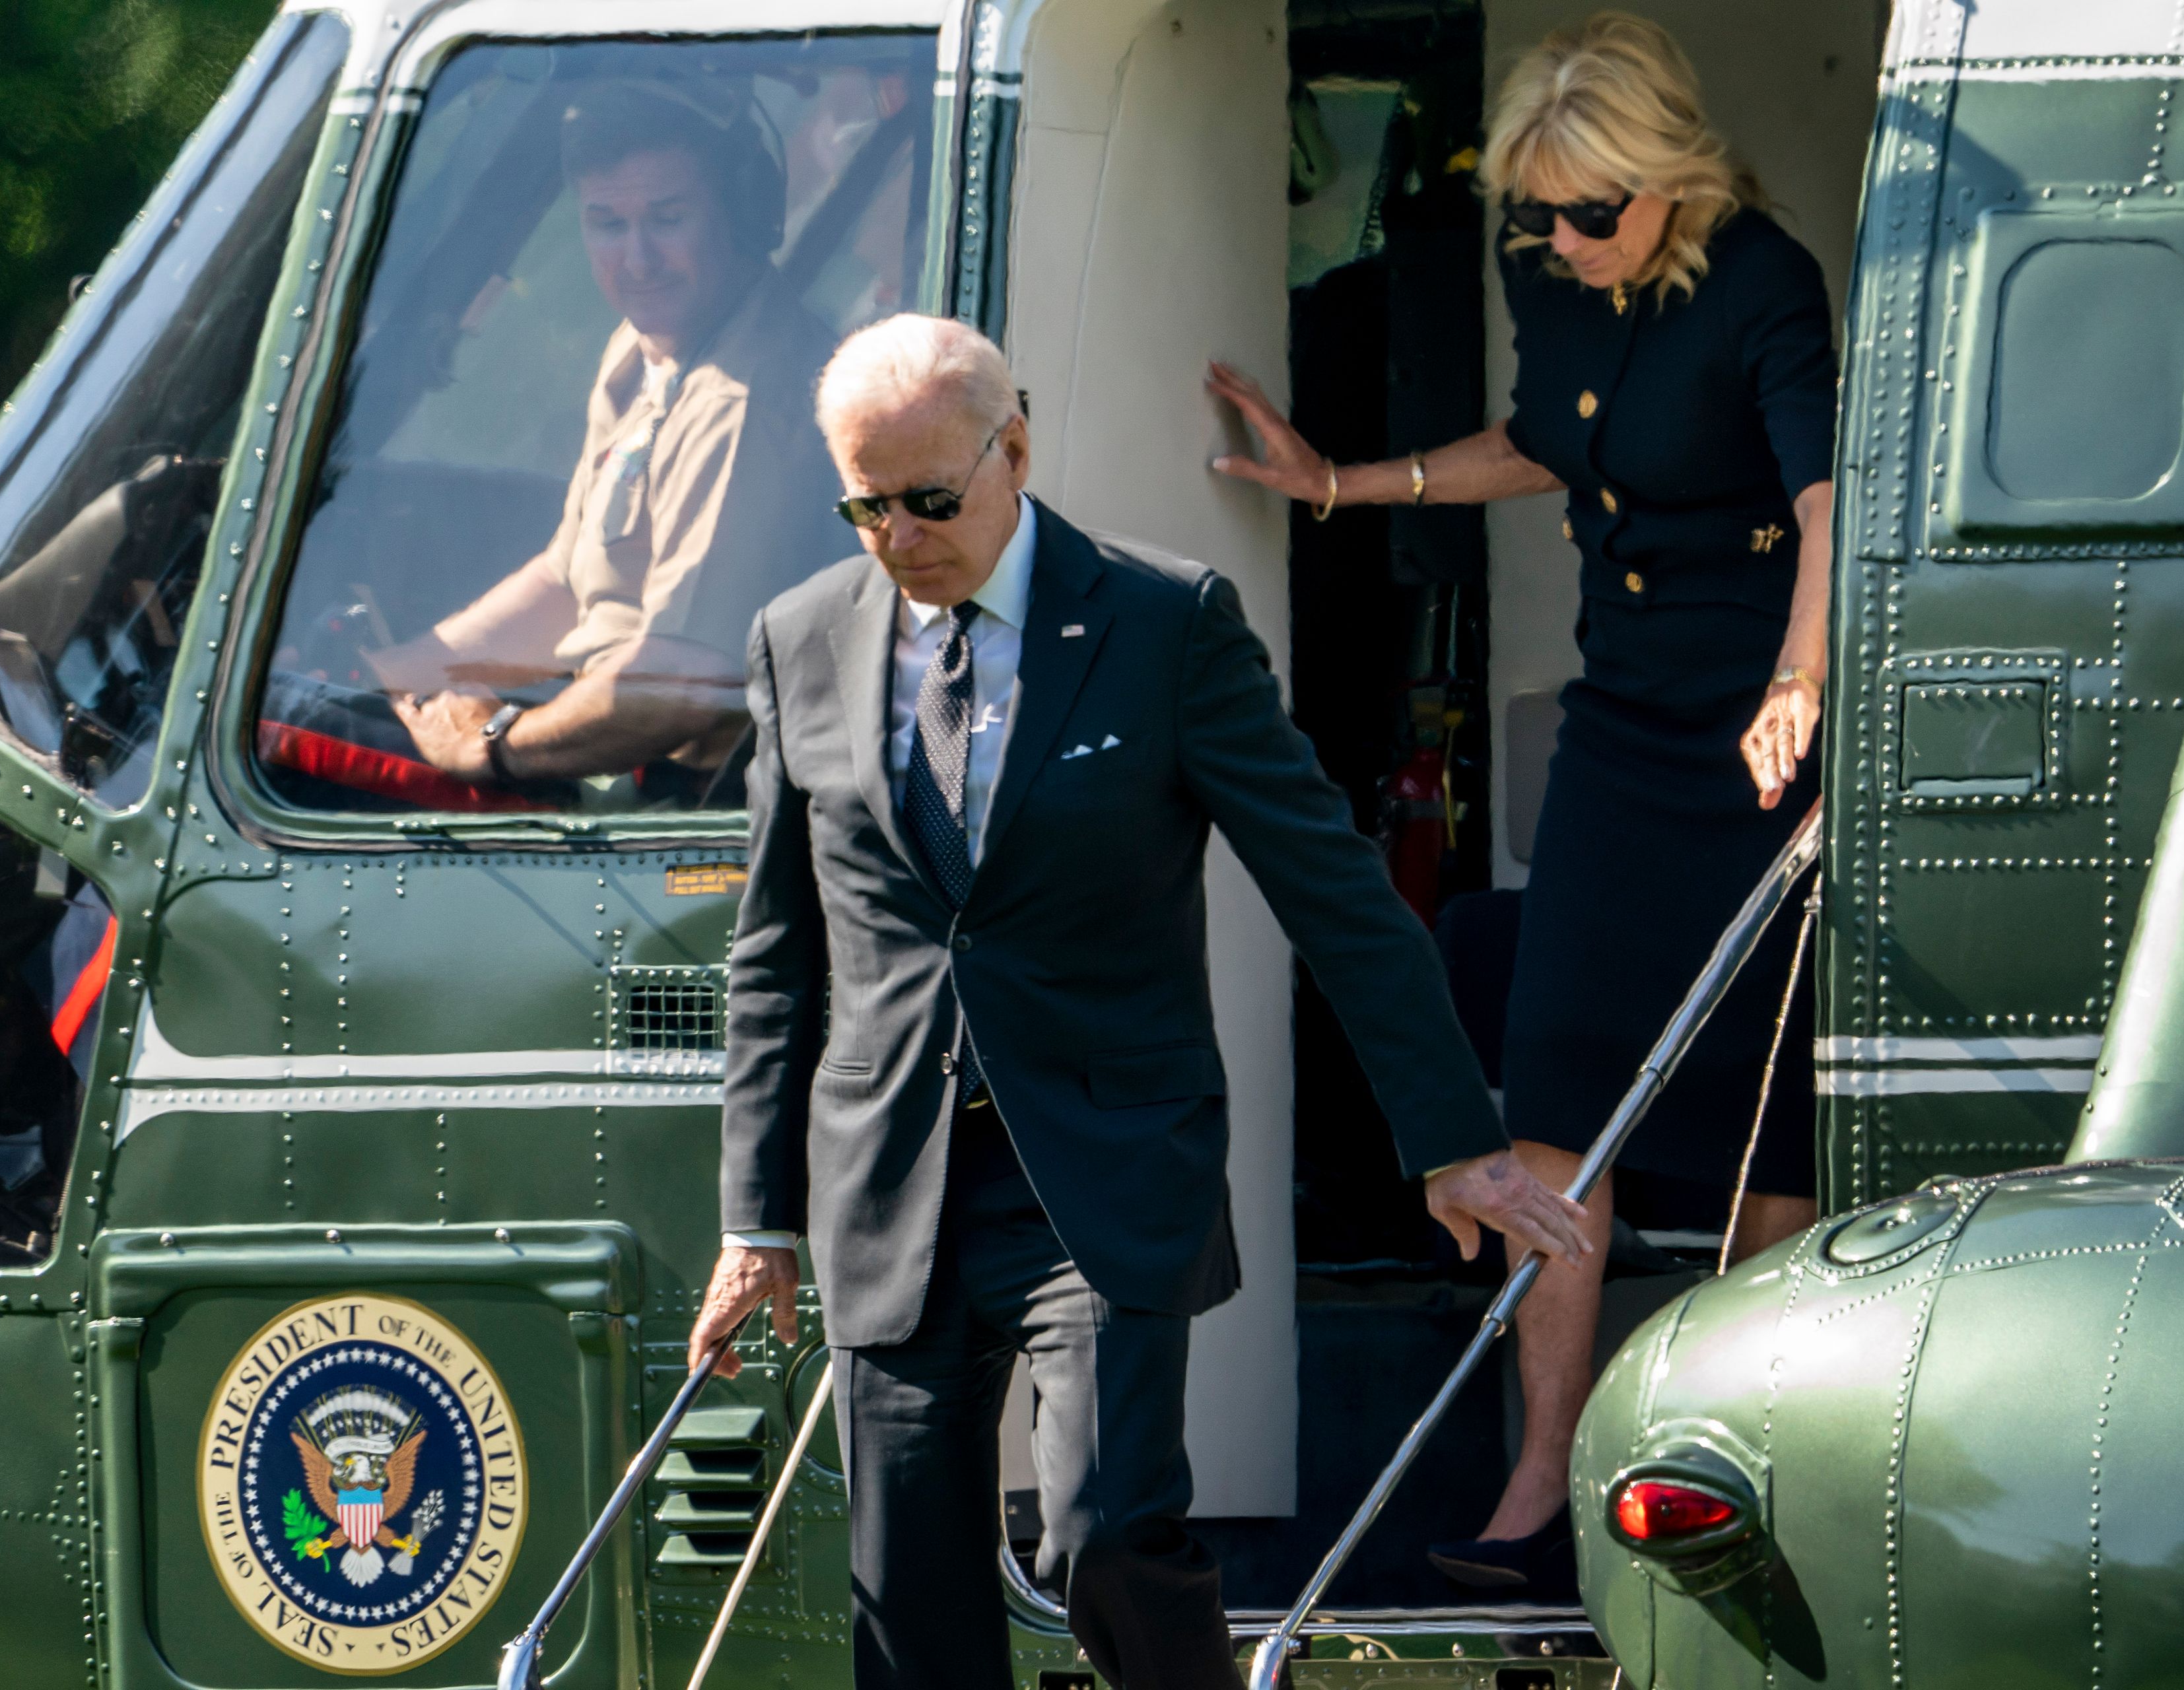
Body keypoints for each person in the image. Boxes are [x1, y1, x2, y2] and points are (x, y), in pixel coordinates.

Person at [688, 314, 1590, 1690]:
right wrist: (755, 1218)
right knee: (906, 1596)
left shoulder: (1165, 624)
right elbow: (776, 951)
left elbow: (1333, 887)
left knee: (1103, 1534)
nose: (898, 534)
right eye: (863, 504)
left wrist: (1450, 1134)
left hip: (1099, 1172)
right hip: (891, 1182)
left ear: (1017, 449)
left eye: (930, 499)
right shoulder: (798, 639)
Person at [1208, 11, 1835, 1594]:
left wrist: (1797, 682)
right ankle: (1537, 1486)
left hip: (1754, 726)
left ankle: (1729, 1470)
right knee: (1554, 1094)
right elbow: (1541, 439)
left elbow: (1827, 498)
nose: (1558, 240)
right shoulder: (1549, 269)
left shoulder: (1763, 279)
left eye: (1588, 212)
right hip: (1624, 724)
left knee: (1762, 1133)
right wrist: (1350, 483)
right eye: (1534, 214)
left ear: (1670, 182)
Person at [261, 83, 845, 809]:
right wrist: (390, 675)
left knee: (270, 738)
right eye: (606, 224)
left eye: (668, 219)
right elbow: (566, 580)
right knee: (300, 703)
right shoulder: (649, 347)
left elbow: (686, 683)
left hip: (673, 793)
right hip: (607, 744)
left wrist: (493, 746)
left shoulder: (746, 395)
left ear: (742, 214)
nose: (637, 259)